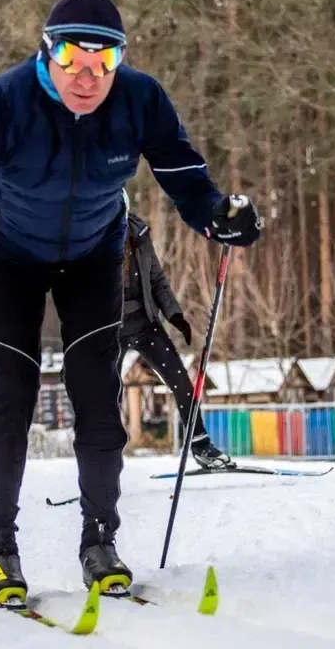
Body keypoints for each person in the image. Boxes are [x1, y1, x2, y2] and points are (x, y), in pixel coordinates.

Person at [0, 0, 262, 607]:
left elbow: (189, 183)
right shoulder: (8, 98)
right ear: (48, 51)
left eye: (105, 59)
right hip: (6, 256)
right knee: (10, 397)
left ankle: (100, 541)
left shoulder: (140, 101)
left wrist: (220, 218)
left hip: (95, 255)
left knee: (96, 399)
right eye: (73, 56)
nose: (88, 74)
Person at [120, 191, 233, 470]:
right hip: (110, 327)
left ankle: (201, 444)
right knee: (106, 391)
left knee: (181, 380)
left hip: (146, 323)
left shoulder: (140, 233)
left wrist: (175, 315)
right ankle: (104, 460)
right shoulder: (92, 240)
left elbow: (156, 279)